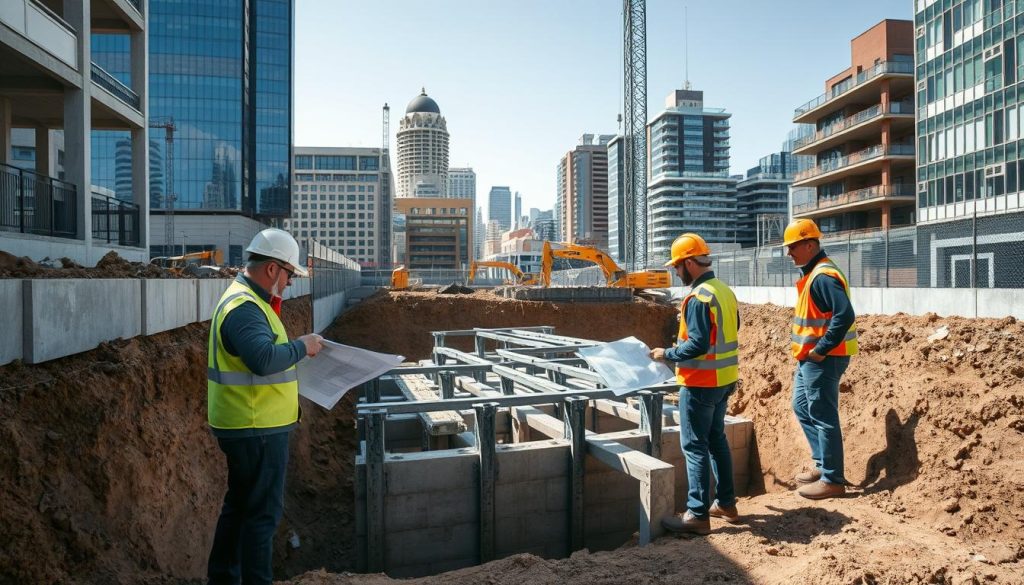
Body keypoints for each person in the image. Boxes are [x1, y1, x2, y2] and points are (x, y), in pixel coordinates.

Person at [206, 228, 324, 584]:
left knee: (240, 508)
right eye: (289, 274)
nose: (289, 283)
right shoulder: (245, 308)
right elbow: (261, 358)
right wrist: (302, 347)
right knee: (261, 517)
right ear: (272, 269)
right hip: (255, 428)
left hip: (247, 425)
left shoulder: (248, 301)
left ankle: (224, 578)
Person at [650, 233, 741, 536]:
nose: (676, 272)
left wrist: (667, 353)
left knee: (694, 446)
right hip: (724, 380)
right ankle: (727, 503)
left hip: (701, 383)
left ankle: (697, 514)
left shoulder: (698, 297)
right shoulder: (723, 291)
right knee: (716, 441)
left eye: (677, 266)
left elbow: (698, 345)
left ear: (690, 262)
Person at [783, 219, 858, 500]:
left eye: (793, 247)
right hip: (811, 359)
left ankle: (833, 480)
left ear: (810, 244)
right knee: (801, 406)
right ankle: (823, 464)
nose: (789, 253)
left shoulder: (823, 277)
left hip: (823, 359)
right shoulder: (813, 273)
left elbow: (845, 315)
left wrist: (822, 349)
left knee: (824, 415)